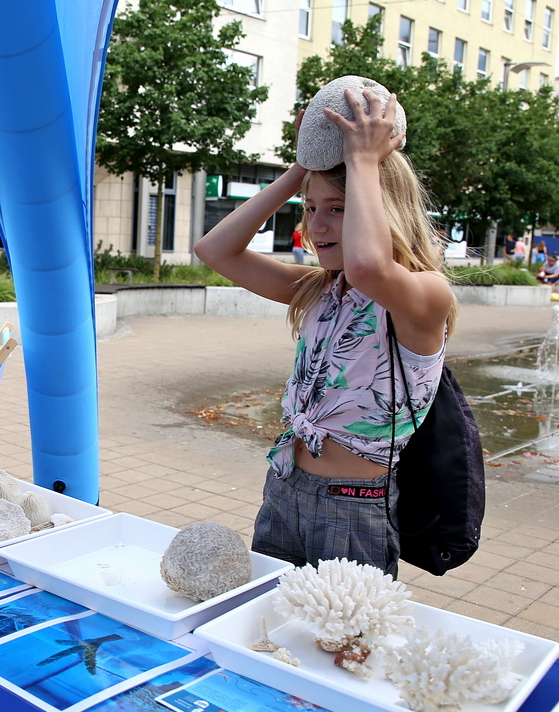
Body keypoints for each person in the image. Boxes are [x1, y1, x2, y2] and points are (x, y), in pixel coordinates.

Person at [194, 88, 455, 577]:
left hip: (354, 507)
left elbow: (368, 267)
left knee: (342, 645)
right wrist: (302, 166)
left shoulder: (425, 295)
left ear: (386, 209)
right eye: (309, 208)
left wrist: (362, 160)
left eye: (336, 207)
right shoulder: (319, 289)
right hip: (285, 487)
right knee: (268, 629)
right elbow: (215, 250)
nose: (316, 226)